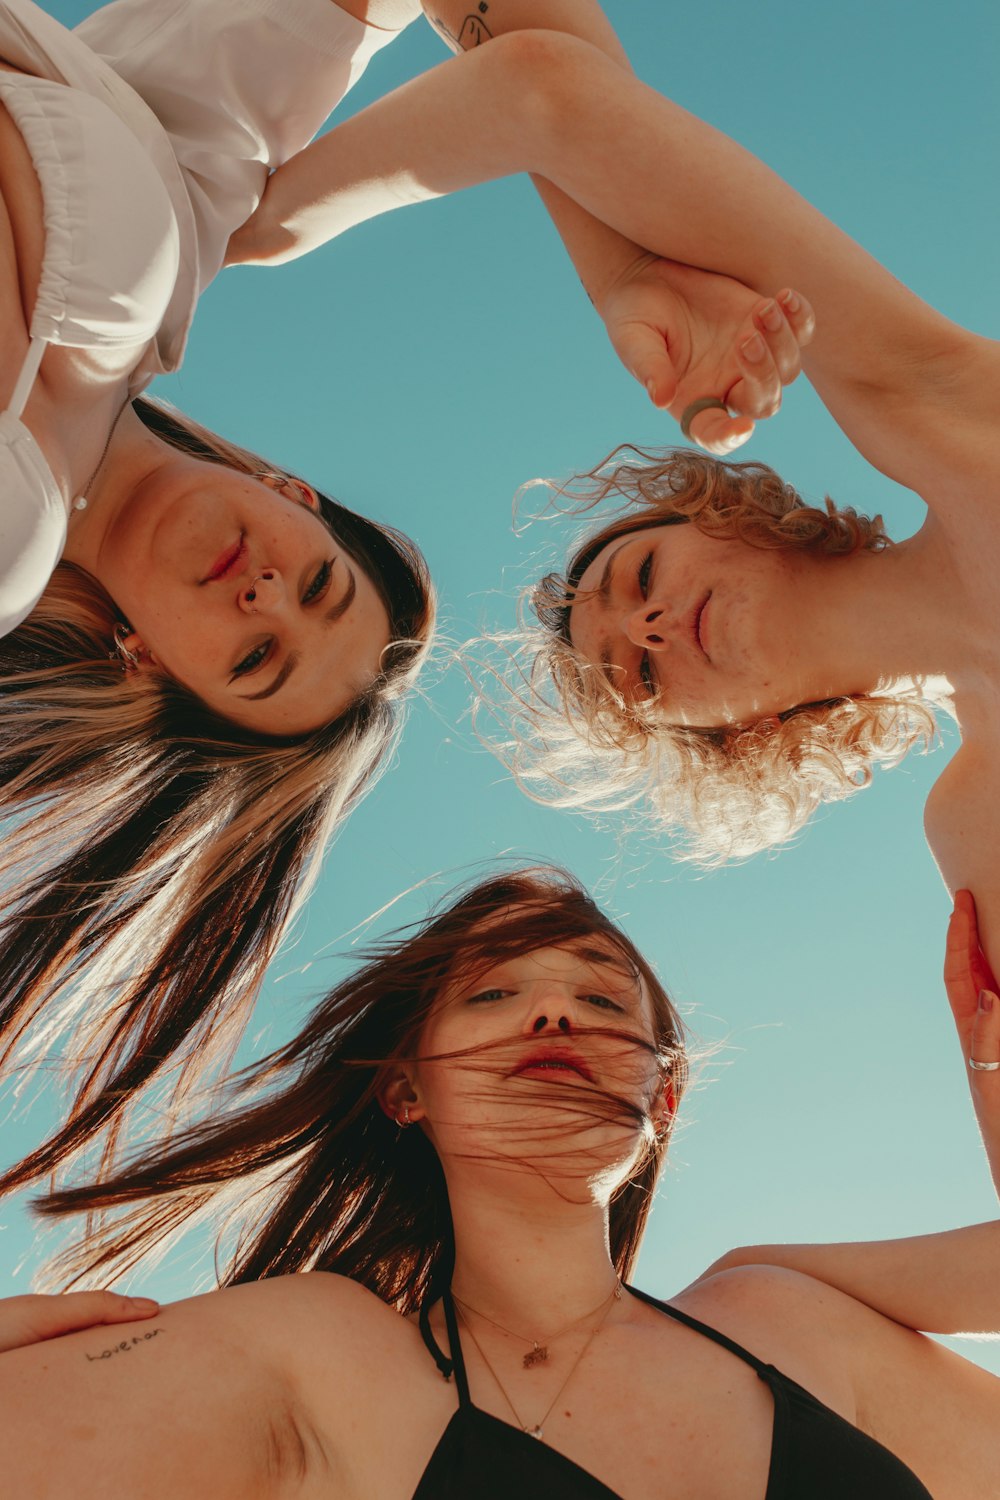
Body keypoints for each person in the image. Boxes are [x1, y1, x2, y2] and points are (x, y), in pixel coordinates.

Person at [0, 0, 810, 1197]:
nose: (264, 592)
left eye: (254, 657)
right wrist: (631, 262)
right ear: (294, 492)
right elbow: (505, 68)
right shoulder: (191, 198)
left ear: (149, 660)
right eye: (319, 584)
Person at [2, 867, 996, 1498]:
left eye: (603, 996)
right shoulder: (319, 1358)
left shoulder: (785, 1323)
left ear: (664, 1101)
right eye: (493, 993)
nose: (555, 1013)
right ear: (403, 1090)